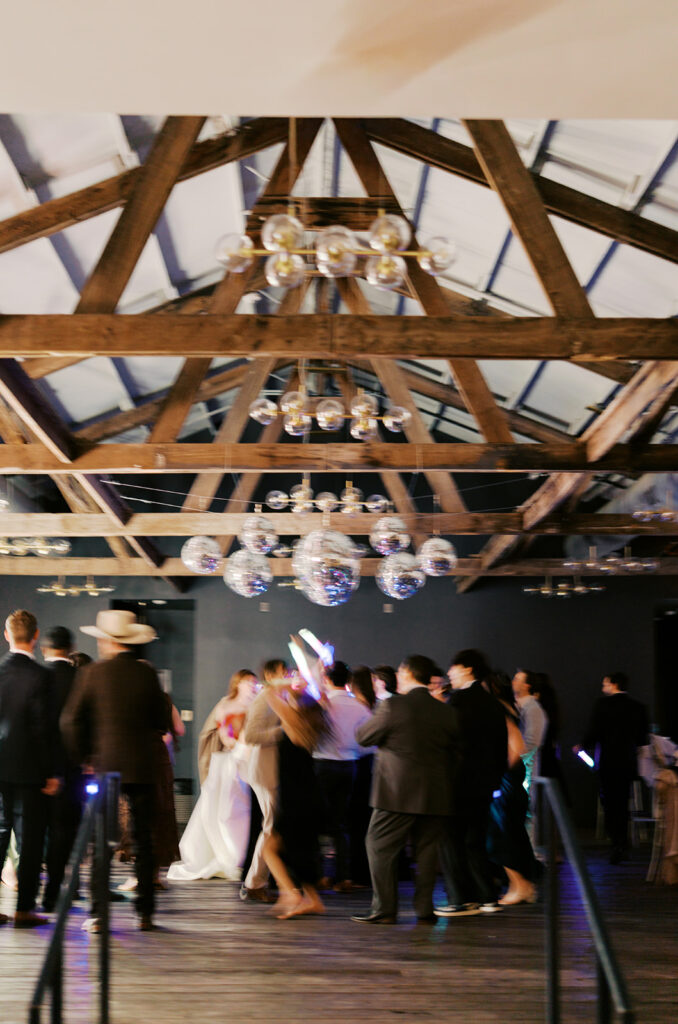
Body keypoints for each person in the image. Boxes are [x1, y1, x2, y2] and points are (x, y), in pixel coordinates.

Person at [61, 609, 169, 933]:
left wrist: (85, 757)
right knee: (145, 841)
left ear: (107, 641)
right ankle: (145, 913)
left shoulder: (92, 673)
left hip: (105, 767)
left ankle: (98, 914)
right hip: (144, 766)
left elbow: (69, 721)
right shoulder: (147, 674)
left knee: (102, 843)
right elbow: (162, 720)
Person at [352, 655, 460, 925]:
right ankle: (425, 909)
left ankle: (385, 909)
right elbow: (456, 751)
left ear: (408, 673)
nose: (397, 677)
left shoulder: (393, 706)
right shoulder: (446, 710)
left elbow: (364, 736)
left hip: (396, 793)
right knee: (426, 852)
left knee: (379, 846)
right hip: (437, 792)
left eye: (400, 672)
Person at [436, 649, 508, 917]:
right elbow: (501, 746)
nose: (449, 673)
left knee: (451, 839)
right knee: (475, 840)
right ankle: (487, 897)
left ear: (467, 669)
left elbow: (447, 742)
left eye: (452, 668)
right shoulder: (491, 702)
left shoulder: (458, 701)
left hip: (457, 783)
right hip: (485, 784)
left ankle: (460, 900)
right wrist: (495, 780)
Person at [167, 669, 257, 882]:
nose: (252, 685)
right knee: (224, 809)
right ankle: (227, 853)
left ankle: (243, 853)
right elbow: (222, 731)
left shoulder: (257, 704)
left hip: (249, 759)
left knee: (243, 810)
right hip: (230, 759)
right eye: (247, 682)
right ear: (238, 684)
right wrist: (236, 747)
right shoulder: (226, 703)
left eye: (253, 682)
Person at [0, 609, 59, 928]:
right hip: (30, 768)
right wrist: (50, 772)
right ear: (35, 637)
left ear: (7, 635)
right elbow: (43, 728)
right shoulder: (41, 676)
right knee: (31, 838)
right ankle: (24, 910)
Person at [262, 677, 330, 919]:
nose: (287, 703)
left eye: (291, 701)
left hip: (296, 798)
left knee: (270, 848)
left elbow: (270, 693)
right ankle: (310, 899)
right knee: (298, 850)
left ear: (299, 708)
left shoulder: (293, 723)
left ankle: (290, 893)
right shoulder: (307, 726)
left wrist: (286, 682)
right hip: (305, 795)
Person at [577, 672, 649, 863]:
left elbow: (594, 730)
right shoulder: (638, 707)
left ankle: (616, 842)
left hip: (608, 761)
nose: (603, 687)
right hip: (627, 761)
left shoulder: (602, 706)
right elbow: (643, 738)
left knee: (609, 802)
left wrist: (582, 746)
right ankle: (623, 843)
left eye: (605, 684)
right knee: (623, 801)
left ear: (613, 684)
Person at [313, 661, 371, 892]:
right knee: (340, 823)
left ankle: (320, 876)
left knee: (317, 822)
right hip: (349, 766)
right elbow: (368, 742)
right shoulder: (360, 707)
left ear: (326, 679)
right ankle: (344, 877)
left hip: (322, 764)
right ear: (347, 681)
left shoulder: (321, 705)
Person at [486, 672, 540, 905]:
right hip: (512, 781)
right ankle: (522, 887)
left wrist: (497, 771)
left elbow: (517, 746)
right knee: (511, 834)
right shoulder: (510, 707)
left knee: (502, 835)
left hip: (506, 781)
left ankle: (520, 886)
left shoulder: (499, 709)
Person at [40, 625, 83, 913]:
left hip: (41, 770)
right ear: (70, 649)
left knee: (39, 832)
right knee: (69, 832)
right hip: (75, 768)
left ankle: (42, 895)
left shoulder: (40, 678)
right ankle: (63, 889)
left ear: (45, 648)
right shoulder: (80, 679)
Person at [240, 659, 287, 903]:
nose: (287, 676)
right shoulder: (263, 699)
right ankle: (255, 882)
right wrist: (284, 731)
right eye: (283, 672)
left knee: (273, 827)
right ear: (270, 675)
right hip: (264, 771)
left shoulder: (279, 697)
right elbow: (251, 735)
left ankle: (264, 880)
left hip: (273, 770)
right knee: (271, 828)